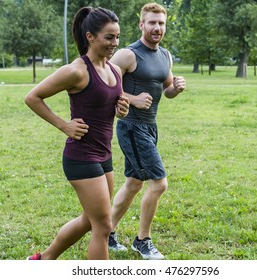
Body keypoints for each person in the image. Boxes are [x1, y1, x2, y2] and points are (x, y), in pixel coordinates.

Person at [25, 6, 129, 260]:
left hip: (104, 155)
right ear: (90, 37)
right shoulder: (76, 71)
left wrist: (122, 109)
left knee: (89, 220)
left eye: (117, 37)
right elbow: (32, 97)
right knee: (103, 226)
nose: (115, 43)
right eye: (109, 37)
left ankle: (43, 260)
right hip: (81, 157)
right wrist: (63, 124)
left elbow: (112, 105)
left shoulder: (114, 69)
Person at [108, 2, 186, 260]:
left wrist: (176, 87)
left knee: (133, 183)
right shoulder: (128, 55)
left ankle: (106, 231)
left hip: (150, 127)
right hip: (131, 127)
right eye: (152, 22)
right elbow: (105, 86)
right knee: (159, 183)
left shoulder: (165, 55)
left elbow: (166, 90)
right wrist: (131, 98)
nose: (157, 28)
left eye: (161, 23)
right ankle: (143, 241)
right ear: (141, 24)